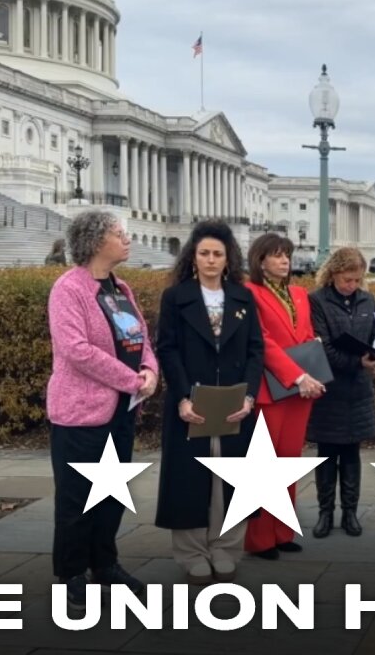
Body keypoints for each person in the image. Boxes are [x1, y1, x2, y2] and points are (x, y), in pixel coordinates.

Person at [46, 210, 157, 610]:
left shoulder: (120, 288)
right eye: (118, 234)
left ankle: (104, 565)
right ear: (94, 242)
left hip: (121, 411)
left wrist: (149, 370)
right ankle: (71, 573)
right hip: (80, 413)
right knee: (77, 498)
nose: (126, 239)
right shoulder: (68, 289)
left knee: (111, 495)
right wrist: (131, 380)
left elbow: (140, 336)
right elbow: (76, 350)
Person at [154, 221, 264, 584]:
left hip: (234, 402)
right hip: (192, 403)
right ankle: (192, 551)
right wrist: (183, 396)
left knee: (229, 475)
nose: (211, 260)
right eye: (204, 253)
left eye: (218, 254)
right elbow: (167, 349)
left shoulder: (243, 297)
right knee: (189, 477)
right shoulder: (176, 297)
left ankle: (225, 547)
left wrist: (249, 395)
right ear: (193, 257)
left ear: (228, 258)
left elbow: (254, 350)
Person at [243, 233, 327, 559]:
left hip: (300, 389)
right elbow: (263, 342)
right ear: (260, 260)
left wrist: (315, 374)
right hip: (269, 387)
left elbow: (306, 336)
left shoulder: (299, 293)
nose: (284, 261)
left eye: (287, 256)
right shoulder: (250, 293)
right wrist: (297, 375)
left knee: (289, 460)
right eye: (277, 255)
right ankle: (260, 539)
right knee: (266, 464)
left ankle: (281, 532)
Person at [307, 247, 375, 538]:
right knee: (326, 453)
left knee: (352, 452)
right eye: (346, 279)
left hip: (358, 389)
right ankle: (325, 512)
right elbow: (321, 345)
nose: (351, 285)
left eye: (356, 280)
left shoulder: (368, 299)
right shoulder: (318, 301)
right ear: (334, 273)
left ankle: (350, 512)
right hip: (329, 387)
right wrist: (355, 361)